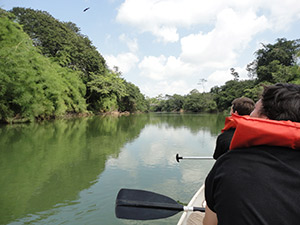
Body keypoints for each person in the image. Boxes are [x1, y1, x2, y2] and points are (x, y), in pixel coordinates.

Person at [203, 83, 300, 225]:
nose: (250, 115)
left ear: (265, 118)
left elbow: (209, 223)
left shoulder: (229, 164)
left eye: (254, 109)